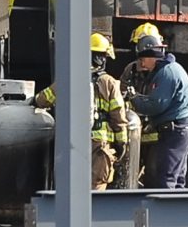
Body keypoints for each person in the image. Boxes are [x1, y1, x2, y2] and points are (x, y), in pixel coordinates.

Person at [33, 32, 128, 190]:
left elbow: (44, 99)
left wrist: (32, 101)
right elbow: (118, 116)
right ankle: (92, 215)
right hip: (99, 145)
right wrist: (121, 142)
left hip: (72, 141)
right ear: (101, 58)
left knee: (72, 186)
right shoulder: (109, 82)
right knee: (96, 187)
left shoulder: (70, 77)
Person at [131, 34, 188, 189]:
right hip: (179, 131)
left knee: (165, 181)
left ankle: (165, 213)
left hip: (173, 132)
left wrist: (133, 99)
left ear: (151, 55)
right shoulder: (168, 70)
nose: (141, 63)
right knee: (176, 180)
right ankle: (177, 212)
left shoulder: (167, 73)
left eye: (142, 58)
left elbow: (156, 105)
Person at [119, 22, 163, 186]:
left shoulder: (163, 72)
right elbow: (120, 95)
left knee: (153, 174)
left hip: (155, 135)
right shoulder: (130, 70)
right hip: (134, 133)